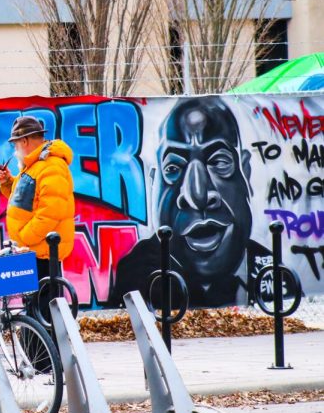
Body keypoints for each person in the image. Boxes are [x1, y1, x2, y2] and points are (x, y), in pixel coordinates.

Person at [110, 97, 268, 307]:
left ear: (245, 172)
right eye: (173, 169)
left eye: (219, 162)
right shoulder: (138, 274)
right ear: (154, 183)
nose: (197, 196)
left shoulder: (268, 268)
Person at [0, 115, 76, 280]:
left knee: (45, 303)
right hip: (34, 251)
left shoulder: (50, 166)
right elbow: (24, 199)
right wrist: (7, 182)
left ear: (24, 141)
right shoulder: (35, 166)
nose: (15, 149)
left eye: (16, 144)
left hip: (42, 253)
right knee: (34, 303)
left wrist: (24, 237)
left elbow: (51, 212)